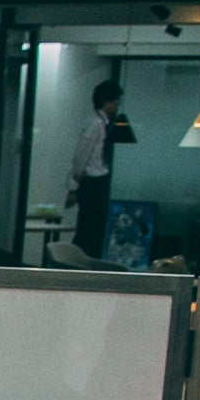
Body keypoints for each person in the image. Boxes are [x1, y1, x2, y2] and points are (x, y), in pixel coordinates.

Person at [65, 77, 124, 267]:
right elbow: (81, 156)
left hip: (98, 181)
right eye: (116, 101)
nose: (117, 105)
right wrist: (74, 187)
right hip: (92, 183)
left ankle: (87, 265)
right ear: (107, 102)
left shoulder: (104, 123)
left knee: (95, 230)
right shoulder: (95, 124)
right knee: (88, 230)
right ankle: (77, 266)